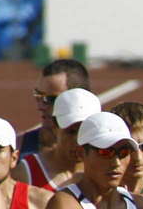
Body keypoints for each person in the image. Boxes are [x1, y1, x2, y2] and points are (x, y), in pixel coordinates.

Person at [18, 59, 90, 188]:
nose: (41, 106)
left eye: (51, 99)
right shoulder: (18, 148)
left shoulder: (109, 157)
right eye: (38, 95)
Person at [20, 87, 99, 193]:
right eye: (71, 132)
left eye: (85, 131)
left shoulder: (108, 169)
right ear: (54, 126)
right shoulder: (27, 171)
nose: (78, 141)